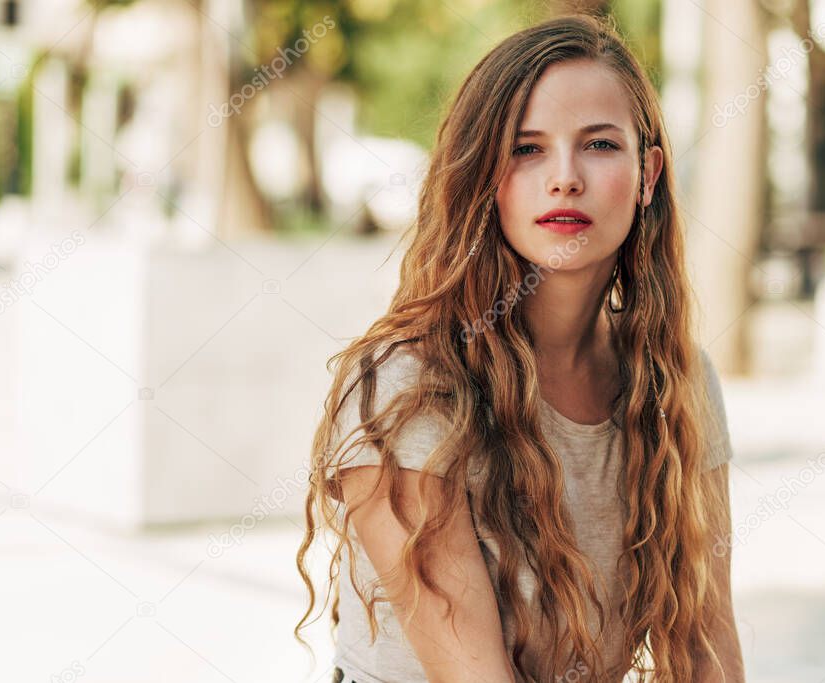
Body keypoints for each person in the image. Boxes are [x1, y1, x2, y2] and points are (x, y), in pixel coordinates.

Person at [295, 13, 744, 683]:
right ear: (484, 176)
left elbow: (709, 648)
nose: (564, 178)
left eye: (598, 144)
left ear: (648, 173)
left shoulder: (678, 379)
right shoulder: (408, 385)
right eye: (527, 149)